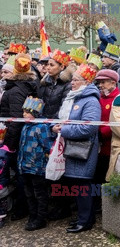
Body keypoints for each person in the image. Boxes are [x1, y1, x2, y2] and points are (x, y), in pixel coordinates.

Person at [52, 64, 101, 233]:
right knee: (78, 186)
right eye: (72, 79)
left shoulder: (91, 100)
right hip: (74, 148)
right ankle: (84, 218)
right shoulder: (77, 97)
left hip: (84, 150)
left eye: (76, 80)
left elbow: (89, 128)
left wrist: (63, 130)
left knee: (83, 186)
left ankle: (85, 221)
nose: (72, 82)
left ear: (86, 81)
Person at [0, 53, 38, 220]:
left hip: (15, 139)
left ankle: (22, 208)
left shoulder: (16, 90)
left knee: (21, 175)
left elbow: (15, 120)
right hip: (21, 137)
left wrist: (9, 144)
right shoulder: (25, 86)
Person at [17, 97, 56, 231]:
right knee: (29, 194)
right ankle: (32, 215)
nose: (24, 115)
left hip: (37, 167)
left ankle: (41, 218)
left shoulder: (42, 127)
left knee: (40, 194)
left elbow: (48, 146)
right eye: (23, 112)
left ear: (36, 113)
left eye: (28, 112)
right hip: (25, 166)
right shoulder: (25, 126)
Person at [94, 70, 120, 186]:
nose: (100, 85)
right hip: (98, 144)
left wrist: (101, 133)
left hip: (109, 144)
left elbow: (116, 121)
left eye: (103, 82)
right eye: (99, 82)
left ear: (113, 83)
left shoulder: (118, 99)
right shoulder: (100, 97)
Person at [38, 50, 74, 119]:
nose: (48, 67)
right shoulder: (45, 82)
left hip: (56, 123)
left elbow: (64, 108)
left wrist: (52, 124)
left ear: (62, 67)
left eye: (52, 65)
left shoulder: (68, 84)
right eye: (47, 64)